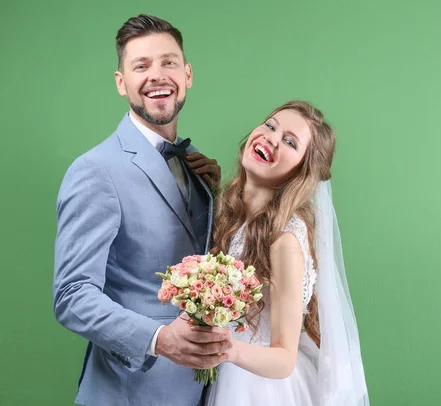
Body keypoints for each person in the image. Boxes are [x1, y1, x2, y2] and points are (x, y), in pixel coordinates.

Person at [53, 14, 231, 406]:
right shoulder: (95, 170)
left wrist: (216, 197)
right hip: (127, 392)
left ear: (186, 74)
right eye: (141, 65)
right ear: (122, 82)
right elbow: (71, 295)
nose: (157, 75)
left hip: (201, 390)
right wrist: (158, 339)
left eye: (168, 62)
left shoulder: (197, 168)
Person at [191, 100, 369, 405]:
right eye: (270, 125)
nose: (271, 138)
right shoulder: (234, 215)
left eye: (290, 141)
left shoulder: (285, 239)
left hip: (259, 389)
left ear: (302, 170)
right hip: (228, 375)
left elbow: (284, 359)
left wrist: (225, 347)